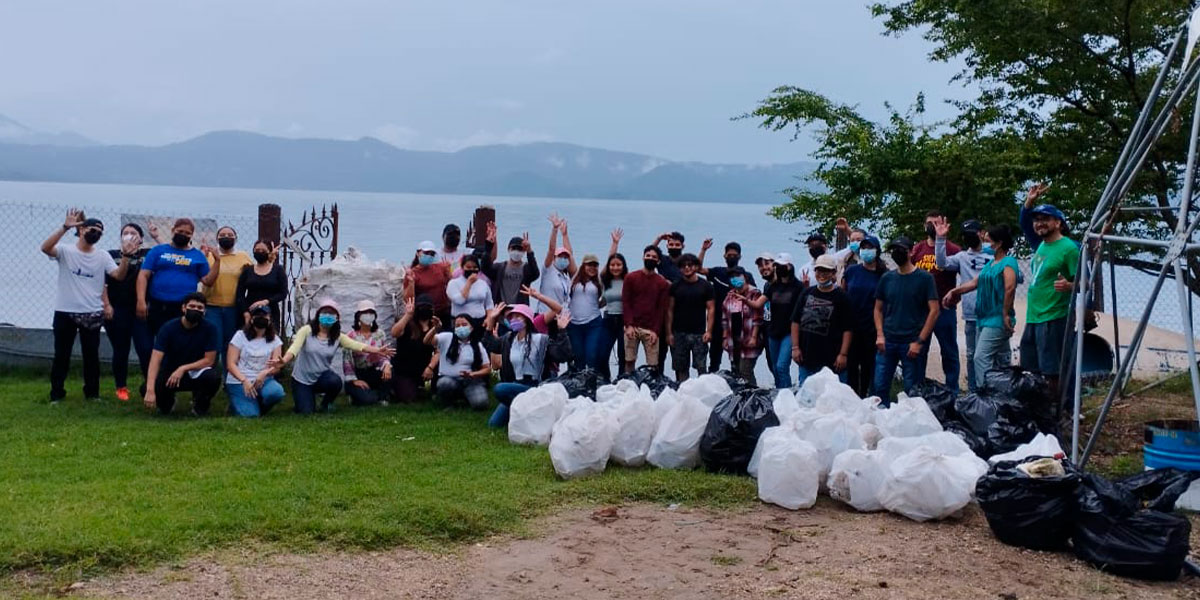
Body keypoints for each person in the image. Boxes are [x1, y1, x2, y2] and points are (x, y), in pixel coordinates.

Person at [42, 209, 131, 403]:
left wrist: (126, 258)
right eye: (93, 229)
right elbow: (46, 248)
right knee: (61, 355)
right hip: (65, 311)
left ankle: (92, 394)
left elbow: (118, 275)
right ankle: (56, 394)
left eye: (100, 232)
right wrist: (65, 228)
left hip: (92, 312)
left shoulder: (103, 256)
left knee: (91, 357)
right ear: (81, 230)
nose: (96, 234)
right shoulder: (66, 251)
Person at [272, 299, 394, 414]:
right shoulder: (306, 331)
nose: (328, 316)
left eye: (331, 314)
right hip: (302, 379)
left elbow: (358, 345)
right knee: (306, 412)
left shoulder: (337, 336)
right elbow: (294, 348)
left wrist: (378, 350)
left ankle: (326, 403)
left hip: (322, 376)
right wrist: (284, 360)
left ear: (337, 318)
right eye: (325, 313)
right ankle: (305, 398)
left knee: (335, 382)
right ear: (318, 315)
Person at [1018, 183, 1079, 396]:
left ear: (1058, 223)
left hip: (1054, 316)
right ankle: (1039, 408)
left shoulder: (1070, 248)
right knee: (1030, 366)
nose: (1039, 223)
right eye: (1037, 219)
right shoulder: (1040, 245)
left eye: (1045, 219)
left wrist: (1070, 285)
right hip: (1034, 315)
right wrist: (1029, 201)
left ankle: (1060, 408)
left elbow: (1085, 282)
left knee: (1052, 369)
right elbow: (1023, 223)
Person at [945, 225, 1021, 389]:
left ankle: (984, 393)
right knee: (1001, 360)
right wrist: (954, 291)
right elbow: (974, 282)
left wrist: (1005, 313)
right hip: (984, 318)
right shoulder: (991, 264)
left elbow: (1010, 287)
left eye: (989, 241)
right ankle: (1003, 393)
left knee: (980, 357)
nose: (986, 245)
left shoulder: (1008, 262)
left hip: (997, 319)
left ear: (999, 243)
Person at [872, 237, 939, 404]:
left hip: (911, 342)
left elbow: (934, 311)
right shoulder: (887, 278)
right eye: (894, 250)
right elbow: (878, 309)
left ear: (910, 252)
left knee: (912, 390)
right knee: (879, 387)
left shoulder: (925, 279)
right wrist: (880, 335)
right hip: (888, 341)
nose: (897, 253)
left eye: (900, 249)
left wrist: (920, 341)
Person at [483, 304, 571, 427]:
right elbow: (490, 344)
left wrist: (562, 331)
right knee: (493, 424)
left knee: (500, 389)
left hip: (535, 386)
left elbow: (562, 355)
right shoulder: (508, 340)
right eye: (512, 318)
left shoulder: (540, 340)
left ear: (527, 319)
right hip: (516, 385)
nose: (514, 320)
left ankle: (526, 411)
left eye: (518, 317)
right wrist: (491, 320)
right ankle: (524, 412)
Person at [934, 217, 993, 392]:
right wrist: (940, 239)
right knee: (972, 355)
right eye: (965, 235)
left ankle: (992, 390)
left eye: (973, 234)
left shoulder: (994, 254)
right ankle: (974, 392)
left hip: (992, 314)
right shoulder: (961, 257)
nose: (970, 237)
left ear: (981, 234)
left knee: (990, 355)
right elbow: (941, 263)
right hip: (971, 315)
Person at [144, 292, 221, 415]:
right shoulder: (168, 328)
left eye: (200, 308)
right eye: (192, 307)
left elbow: (209, 360)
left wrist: (183, 368)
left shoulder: (210, 329)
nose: (195, 310)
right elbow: (155, 359)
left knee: (213, 378)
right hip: (171, 372)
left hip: (196, 371)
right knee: (147, 388)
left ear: (204, 311)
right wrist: (150, 389)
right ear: (183, 308)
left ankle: (200, 406)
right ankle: (168, 404)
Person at [911, 210, 961, 390]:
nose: (932, 226)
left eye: (936, 222)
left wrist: (957, 293)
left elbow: (966, 276)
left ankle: (953, 391)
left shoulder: (953, 249)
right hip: (921, 310)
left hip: (944, 309)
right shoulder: (917, 249)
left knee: (949, 352)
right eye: (929, 223)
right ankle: (917, 390)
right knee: (919, 350)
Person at [103, 222, 152, 401]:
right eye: (126, 233)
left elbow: (169, 251)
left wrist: (155, 236)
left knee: (145, 348)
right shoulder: (111, 255)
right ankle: (121, 387)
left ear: (140, 239)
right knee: (120, 349)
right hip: (117, 310)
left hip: (141, 310)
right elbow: (104, 283)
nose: (129, 236)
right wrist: (107, 305)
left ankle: (150, 384)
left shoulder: (148, 255)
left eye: (133, 233)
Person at [138, 218, 211, 336]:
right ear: (173, 230)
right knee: (151, 343)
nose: (183, 235)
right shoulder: (158, 250)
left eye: (188, 233)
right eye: (180, 231)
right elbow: (143, 275)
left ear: (192, 235)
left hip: (182, 307)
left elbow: (207, 280)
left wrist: (217, 261)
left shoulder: (197, 255)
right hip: (157, 304)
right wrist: (141, 301)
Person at [790, 254, 853, 386]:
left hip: (833, 360)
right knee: (806, 398)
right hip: (807, 357)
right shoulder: (806, 293)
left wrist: (843, 354)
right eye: (819, 270)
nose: (822, 274)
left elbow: (848, 328)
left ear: (833, 273)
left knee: (835, 397)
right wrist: (795, 347)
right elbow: (795, 321)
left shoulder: (842, 297)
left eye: (826, 271)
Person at [699, 240, 757, 374]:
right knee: (714, 357)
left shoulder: (746, 275)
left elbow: (754, 297)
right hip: (718, 321)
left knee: (737, 359)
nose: (732, 257)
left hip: (738, 324)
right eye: (729, 255)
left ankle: (739, 384)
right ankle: (712, 380)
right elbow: (698, 269)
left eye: (735, 255)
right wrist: (703, 250)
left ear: (740, 257)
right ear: (724, 256)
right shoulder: (717, 272)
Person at [840, 235, 887, 397]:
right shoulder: (852, 271)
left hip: (872, 327)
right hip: (852, 326)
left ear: (877, 250)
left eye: (870, 248)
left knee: (869, 366)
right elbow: (843, 294)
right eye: (864, 248)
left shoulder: (884, 275)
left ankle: (869, 398)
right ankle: (853, 398)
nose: (866, 251)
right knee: (851, 366)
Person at [224, 304, 286, 418]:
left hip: (263, 380)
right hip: (239, 382)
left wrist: (265, 373)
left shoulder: (275, 340)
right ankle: (238, 405)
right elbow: (230, 364)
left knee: (276, 392)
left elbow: (276, 366)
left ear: (269, 319)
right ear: (251, 319)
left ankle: (256, 404)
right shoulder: (240, 336)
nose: (261, 318)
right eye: (257, 316)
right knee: (250, 416)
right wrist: (244, 380)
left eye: (264, 316)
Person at [203, 226, 253, 364]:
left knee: (230, 344)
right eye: (222, 234)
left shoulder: (243, 256)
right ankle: (210, 376)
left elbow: (255, 275)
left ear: (236, 238)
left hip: (233, 308)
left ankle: (228, 379)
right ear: (217, 238)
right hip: (211, 307)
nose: (226, 237)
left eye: (230, 234)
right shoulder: (209, 255)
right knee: (213, 344)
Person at [425, 315, 492, 410]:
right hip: (449, 379)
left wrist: (473, 374)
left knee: (480, 404)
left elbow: (487, 369)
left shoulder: (477, 345)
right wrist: (435, 329)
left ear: (471, 327)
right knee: (444, 383)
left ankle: (467, 397)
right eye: (457, 325)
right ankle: (449, 403)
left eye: (464, 325)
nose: (461, 328)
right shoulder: (447, 337)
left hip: (470, 381)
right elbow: (426, 341)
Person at [666, 253, 715, 382]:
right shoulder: (675, 286)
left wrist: (709, 331)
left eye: (690, 265)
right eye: (683, 266)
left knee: (701, 368)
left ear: (696, 267)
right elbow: (669, 310)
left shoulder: (706, 286)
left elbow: (711, 309)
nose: (687, 268)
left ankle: (703, 394)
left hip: (699, 333)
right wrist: (669, 333)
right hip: (679, 333)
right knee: (681, 368)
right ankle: (682, 394)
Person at [622, 245, 670, 373]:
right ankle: (628, 384)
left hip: (651, 329)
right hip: (632, 326)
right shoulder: (631, 277)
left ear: (658, 261)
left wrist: (656, 331)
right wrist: (629, 325)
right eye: (648, 256)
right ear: (643, 257)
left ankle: (651, 388)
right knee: (629, 360)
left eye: (654, 257)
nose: (650, 258)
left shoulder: (662, 283)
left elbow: (661, 309)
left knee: (653, 364)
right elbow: (626, 302)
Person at [763, 252, 804, 388]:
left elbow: (802, 309)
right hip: (774, 331)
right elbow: (759, 304)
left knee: (781, 367)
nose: (778, 268)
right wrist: (745, 300)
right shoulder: (772, 286)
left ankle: (787, 395)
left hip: (789, 332)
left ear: (790, 266)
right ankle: (779, 394)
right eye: (777, 266)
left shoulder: (798, 287)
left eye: (782, 265)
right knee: (774, 368)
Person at [389, 296, 439, 403]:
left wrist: (430, 367)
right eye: (421, 307)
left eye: (427, 307)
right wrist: (407, 315)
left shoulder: (435, 325)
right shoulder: (408, 325)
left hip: (425, 367)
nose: (424, 310)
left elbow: (438, 351)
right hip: (404, 370)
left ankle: (434, 390)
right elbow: (394, 333)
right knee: (408, 397)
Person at [343, 300, 393, 407]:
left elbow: (384, 354)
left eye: (371, 312)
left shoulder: (379, 334)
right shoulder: (351, 336)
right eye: (365, 313)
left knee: (389, 372)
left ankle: (382, 396)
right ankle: (363, 395)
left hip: (374, 370)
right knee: (367, 399)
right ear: (358, 316)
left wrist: (387, 365)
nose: (368, 315)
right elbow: (347, 361)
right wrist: (354, 380)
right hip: (358, 373)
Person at [721, 266, 765, 386]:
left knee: (746, 371)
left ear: (745, 277)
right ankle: (743, 397)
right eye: (732, 277)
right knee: (737, 372)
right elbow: (725, 318)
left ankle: (755, 395)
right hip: (734, 341)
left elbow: (758, 317)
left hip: (749, 339)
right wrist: (725, 338)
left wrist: (754, 337)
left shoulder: (755, 293)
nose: (736, 279)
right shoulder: (730, 296)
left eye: (738, 276)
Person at [235, 239, 287, 330]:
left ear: (269, 252)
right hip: (249, 312)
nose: (260, 252)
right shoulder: (247, 270)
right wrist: (245, 313)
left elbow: (283, 293)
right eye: (257, 250)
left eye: (263, 250)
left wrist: (266, 301)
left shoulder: (278, 270)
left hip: (271, 312)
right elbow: (240, 294)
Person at [480, 227, 540, 306]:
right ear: (508, 249)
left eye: (519, 249)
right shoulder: (499, 268)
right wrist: (488, 246)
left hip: (519, 312)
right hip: (501, 311)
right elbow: (485, 268)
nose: (516, 251)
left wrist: (529, 252)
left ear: (524, 251)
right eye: (514, 248)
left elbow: (535, 273)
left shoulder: (526, 269)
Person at [568, 253, 606, 371]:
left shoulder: (599, 282)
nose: (592, 268)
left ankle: (592, 381)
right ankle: (579, 383)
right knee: (578, 356)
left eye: (595, 265)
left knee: (591, 355)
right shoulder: (574, 279)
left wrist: (615, 244)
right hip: (574, 324)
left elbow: (604, 300)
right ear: (583, 266)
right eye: (589, 265)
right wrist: (564, 235)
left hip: (593, 323)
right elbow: (570, 254)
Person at [405, 240, 453, 329]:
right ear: (418, 253)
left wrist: (448, 272)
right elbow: (408, 299)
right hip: (425, 316)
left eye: (432, 254)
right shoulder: (413, 273)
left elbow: (450, 284)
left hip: (444, 312)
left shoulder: (440, 267)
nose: (429, 256)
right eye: (426, 253)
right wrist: (411, 283)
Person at [600, 248, 630, 378]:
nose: (615, 267)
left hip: (624, 320)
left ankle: (621, 381)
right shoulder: (605, 281)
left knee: (623, 355)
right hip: (608, 320)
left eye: (618, 265)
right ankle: (605, 381)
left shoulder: (629, 280)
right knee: (602, 354)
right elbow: (603, 301)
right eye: (612, 265)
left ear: (623, 266)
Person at [539, 213, 576, 313]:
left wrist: (564, 235)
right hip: (544, 314)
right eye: (560, 256)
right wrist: (555, 230)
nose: (563, 259)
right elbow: (551, 249)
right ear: (554, 258)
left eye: (565, 257)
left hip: (560, 316)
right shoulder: (548, 270)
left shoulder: (566, 278)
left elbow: (570, 254)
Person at [446, 255, 494, 325]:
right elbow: (459, 300)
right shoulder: (453, 283)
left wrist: (489, 318)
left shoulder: (483, 284)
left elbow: (489, 304)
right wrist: (469, 283)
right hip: (460, 323)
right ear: (462, 268)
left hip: (479, 321)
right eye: (468, 267)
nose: (472, 269)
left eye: (475, 267)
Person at [754, 252, 777, 371]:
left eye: (767, 263)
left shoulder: (783, 284)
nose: (764, 267)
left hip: (780, 332)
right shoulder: (767, 285)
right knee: (772, 365)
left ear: (775, 265)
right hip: (768, 330)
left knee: (780, 366)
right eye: (760, 266)